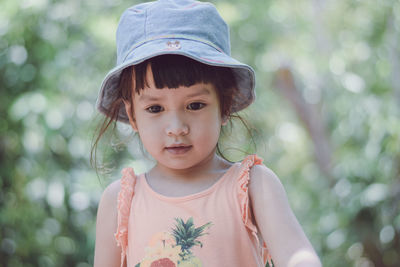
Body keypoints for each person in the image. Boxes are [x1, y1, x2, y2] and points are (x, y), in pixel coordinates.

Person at [92, 0, 322, 266]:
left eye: (195, 105)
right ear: (132, 115)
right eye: (155, 108)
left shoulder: (253, 186)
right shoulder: (121, 200)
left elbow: (296, 254)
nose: (177, 127)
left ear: (224, 106)